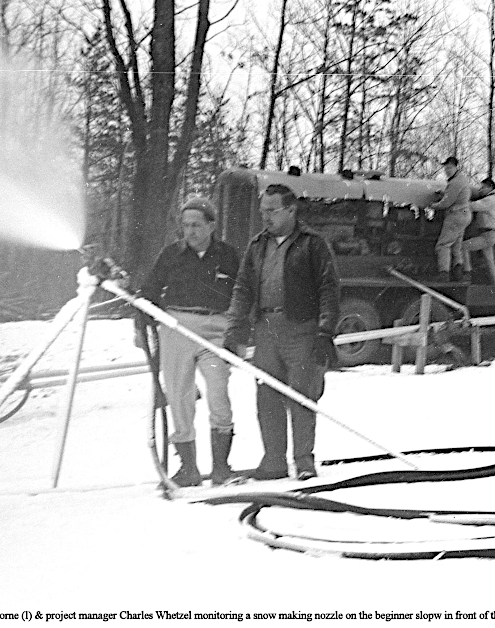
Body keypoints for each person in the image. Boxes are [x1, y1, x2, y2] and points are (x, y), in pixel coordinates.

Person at [224, 184, 340, 481]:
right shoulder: (257, 245)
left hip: (301, 329)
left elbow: (328, 288)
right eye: (263, 211)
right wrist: (236, 327)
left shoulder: (313, 244)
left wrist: (324, 332)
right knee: (267, 396)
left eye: (272, 210)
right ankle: (273, 461)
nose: (266, 217)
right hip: (265, 330)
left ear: (291, 210)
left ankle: (303, 461)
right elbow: (243, 288)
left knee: (301, 395)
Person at [134, 197, 241, 487]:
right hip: (177, 327)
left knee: (218, 393)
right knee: (179, 396)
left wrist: (238, 334)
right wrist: (142, 321)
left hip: (215, 329)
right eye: (185, 225)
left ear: (211, 225)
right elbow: (149, 290)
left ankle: (221, 468)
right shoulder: (171, 254)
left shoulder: (229, 256)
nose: (190, 231)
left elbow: (244, 295)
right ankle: (188, 469)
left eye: (196, 225)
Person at [431, 156, 472, 281]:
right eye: (445, 168)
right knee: (456, 245)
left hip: (455, 215)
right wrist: (444, 194)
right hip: (465, 214)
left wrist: (433, 205)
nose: (447, 171)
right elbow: (456, 196)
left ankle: (444, 273)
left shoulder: (455, 182)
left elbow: (447, 203)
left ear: (456, 167)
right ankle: (458, 272)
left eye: (449, 168)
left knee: (443, 245)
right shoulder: (463, 179)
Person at [462, 177, 495, 282]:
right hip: (490, 235)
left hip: (487, 235)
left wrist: (461, 202)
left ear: (490, 187)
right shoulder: (494, 199)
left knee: (463, 247)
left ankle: (467, 273)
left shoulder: (490, 200)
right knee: (490, 262)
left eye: (483, 187)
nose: (481, 190)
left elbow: (474, 206)